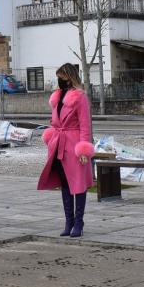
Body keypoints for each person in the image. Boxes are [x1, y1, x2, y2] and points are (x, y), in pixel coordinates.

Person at [36, 63, 95, 238]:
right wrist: (51, 137)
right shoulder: (57, 96)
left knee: (79, 183)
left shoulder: (80, 97)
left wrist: (83, 150)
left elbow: (85, 125)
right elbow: (55, 121)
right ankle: (69, 222)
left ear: (69, 77)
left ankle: (78, 222)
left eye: (61, 76)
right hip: (59, 143)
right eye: (58, 77)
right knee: (65, 183)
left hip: (74, 144)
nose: (59, 80)